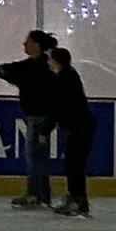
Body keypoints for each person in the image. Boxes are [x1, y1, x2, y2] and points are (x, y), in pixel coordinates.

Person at [0, 30, 61, 210]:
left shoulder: (39, 67)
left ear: (36, 45)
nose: (24, 44)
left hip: (39, 117)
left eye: (27, 41)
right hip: (38, 116)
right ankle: (41, 194)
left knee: (34, 157)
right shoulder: (36, 65)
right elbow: (12, 69)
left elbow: (14, 71)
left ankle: (36, 194)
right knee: (38, 157)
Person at [42, 36, 97, 218]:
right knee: (73, 165)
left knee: (74, 165)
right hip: (79, 126)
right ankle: (77, 199)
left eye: (50, 59)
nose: (48, 62)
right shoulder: (65, 76)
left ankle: (78, 201)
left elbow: (57, 107)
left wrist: (45, 130)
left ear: (56, 61)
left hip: (81, 127)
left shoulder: (65, 79)